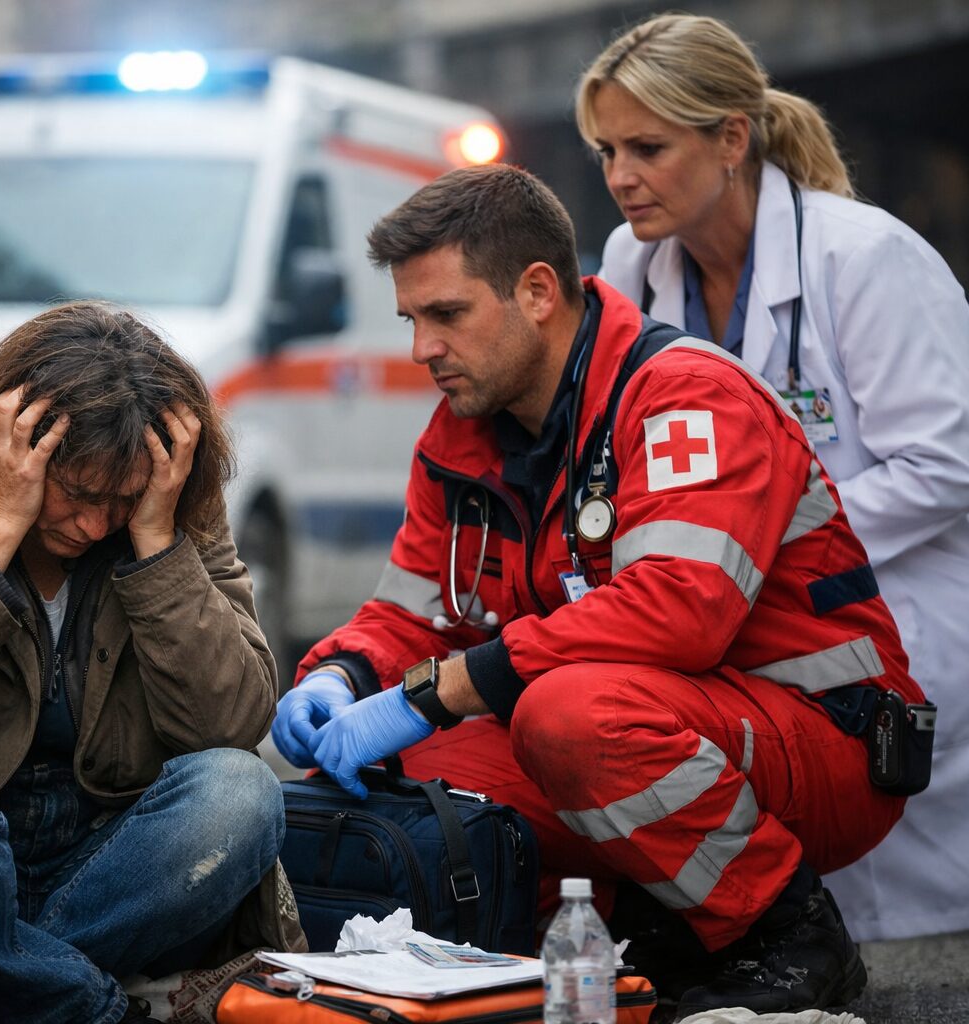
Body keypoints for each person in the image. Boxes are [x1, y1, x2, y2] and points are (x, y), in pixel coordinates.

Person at [271, 164, 926, 1017]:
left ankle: (786, 932)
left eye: (446, 314)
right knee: (406, 771)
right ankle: (610, 934)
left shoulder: (686, 395)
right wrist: (344, 677)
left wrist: (448, 688)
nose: (421, 347)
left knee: (568, 717)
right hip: (662, 722)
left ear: (538, 291)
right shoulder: (466, 430)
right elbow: (414, 610)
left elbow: (680, 610)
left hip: (826, 740)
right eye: (411, 319)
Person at [578, 12, 969, 942]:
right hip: (741, 622)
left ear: (731, 139)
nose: (620, 177)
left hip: (894, 611)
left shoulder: (863, 259)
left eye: (646, 147)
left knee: (917, 938)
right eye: (605, 150)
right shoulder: (634, 263)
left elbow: (948, 460)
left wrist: (764, 548)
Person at [0, 300, 305, 1022]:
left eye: (121, 501)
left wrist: (159, 547)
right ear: (13, 444)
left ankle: (3, 976)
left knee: (241, 792)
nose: (94, 525)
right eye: (76, 494)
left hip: (114, 859)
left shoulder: (169, 502)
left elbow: (230, 722)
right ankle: (79, 1002)